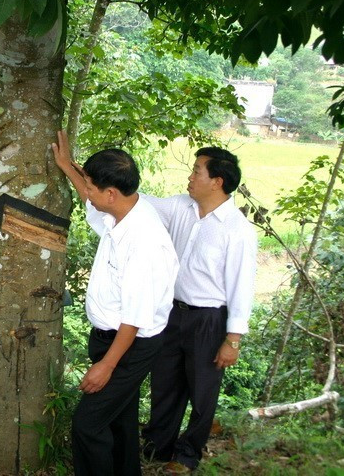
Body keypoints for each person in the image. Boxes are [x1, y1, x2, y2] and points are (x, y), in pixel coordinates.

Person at [51, 132, 179, 476]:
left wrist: (107, 365)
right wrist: (67, 167)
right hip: (110, 338)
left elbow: (134, 318)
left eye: (92, 187)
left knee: (88, 424)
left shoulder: (144, 241)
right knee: (119, 420)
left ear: (111, 193)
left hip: (130, 346)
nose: (87, 193)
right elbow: (90, 199)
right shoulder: (121, 212)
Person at [140, 146, 257, 473]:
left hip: (209, 320)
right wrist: (101, 178)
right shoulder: (181, 206)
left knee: (203, 391)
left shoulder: (237, 230)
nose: (190, 177)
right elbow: (139, 201)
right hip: (172, 313)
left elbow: (241, 287)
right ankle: (157, 447)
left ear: (217, 181)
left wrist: (232, 340)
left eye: (197, 171)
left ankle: (187, 455)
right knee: (165, 383)